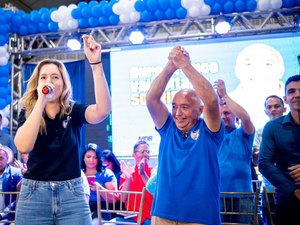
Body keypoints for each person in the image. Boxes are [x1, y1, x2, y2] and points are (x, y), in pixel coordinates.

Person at [14, 34, 111, 225]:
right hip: (34, 196)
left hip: (72, 195)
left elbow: (102, 111)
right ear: (37, 84)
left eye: (55, 77)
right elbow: (23, 146)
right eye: (44, 77)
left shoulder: (73, 110)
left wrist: (96, 63)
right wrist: (41, 101)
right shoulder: (29, 113)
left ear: (63, 83)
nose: (49, 81)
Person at [146, 46, 224, 225]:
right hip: (163, 214)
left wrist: (185, 65)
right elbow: (151, 99)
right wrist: (171, 66)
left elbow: (212, 100)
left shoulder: (209, 132)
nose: (178, 113)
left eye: (185, 107)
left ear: (200, 110)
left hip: (200, 217)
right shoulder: (168, 129)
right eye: (174, 106)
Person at [259, 74, 300, 225]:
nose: (297, 95)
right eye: (292, 91)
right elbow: (264, 163)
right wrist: (294, 190)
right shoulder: (273, 127)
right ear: (286, 98)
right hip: (288, 203)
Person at [216, 79, 255, 223]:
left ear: (234, 115)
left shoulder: (244, 134)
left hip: (242, 195)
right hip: (217, 195)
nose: (223, 116)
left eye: (227, 113)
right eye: (220, 113)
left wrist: (225, 96)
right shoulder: (212, 138)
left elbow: (246, 117)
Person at [230, 43, 285, 128]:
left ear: (281, 70)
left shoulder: (293, 98)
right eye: (248, 64)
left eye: (267, 64)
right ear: (237, 71)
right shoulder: (229, 102)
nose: (258, 71)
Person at [253, 95, 286, 225]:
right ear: (265, 111)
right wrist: (265, 152)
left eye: (277, 106)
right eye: (269, 107)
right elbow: (256, 160)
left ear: (284, 108)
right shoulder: (260, 131)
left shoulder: (293, 127)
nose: (273, 109)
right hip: (270, 189)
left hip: (293, 188)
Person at [109, 140, 153, 225]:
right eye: (142, 151)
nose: (145, 154)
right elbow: (122, 198)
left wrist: (142, 173)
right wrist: (128, 178)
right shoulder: (127, 172)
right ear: (134, 155)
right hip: (131, 218)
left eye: (147, 152)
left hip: (149, 218)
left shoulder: (154, 173)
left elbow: (155, 194)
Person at [81, 143, 117, 223]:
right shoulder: (79, 174)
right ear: (83, 157)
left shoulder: (106, 173)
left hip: (101, 207)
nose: (91, 160)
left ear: (99, 159)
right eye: (88, 157)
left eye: (95, 157)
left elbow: (113, 199)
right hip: (81, 207)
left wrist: (99, 188)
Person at [0, 145, 22, 224]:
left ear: (7, 159)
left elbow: (21, 195)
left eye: (1, 158)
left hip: (8, 218)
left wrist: (2, 215)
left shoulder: (16, 173)